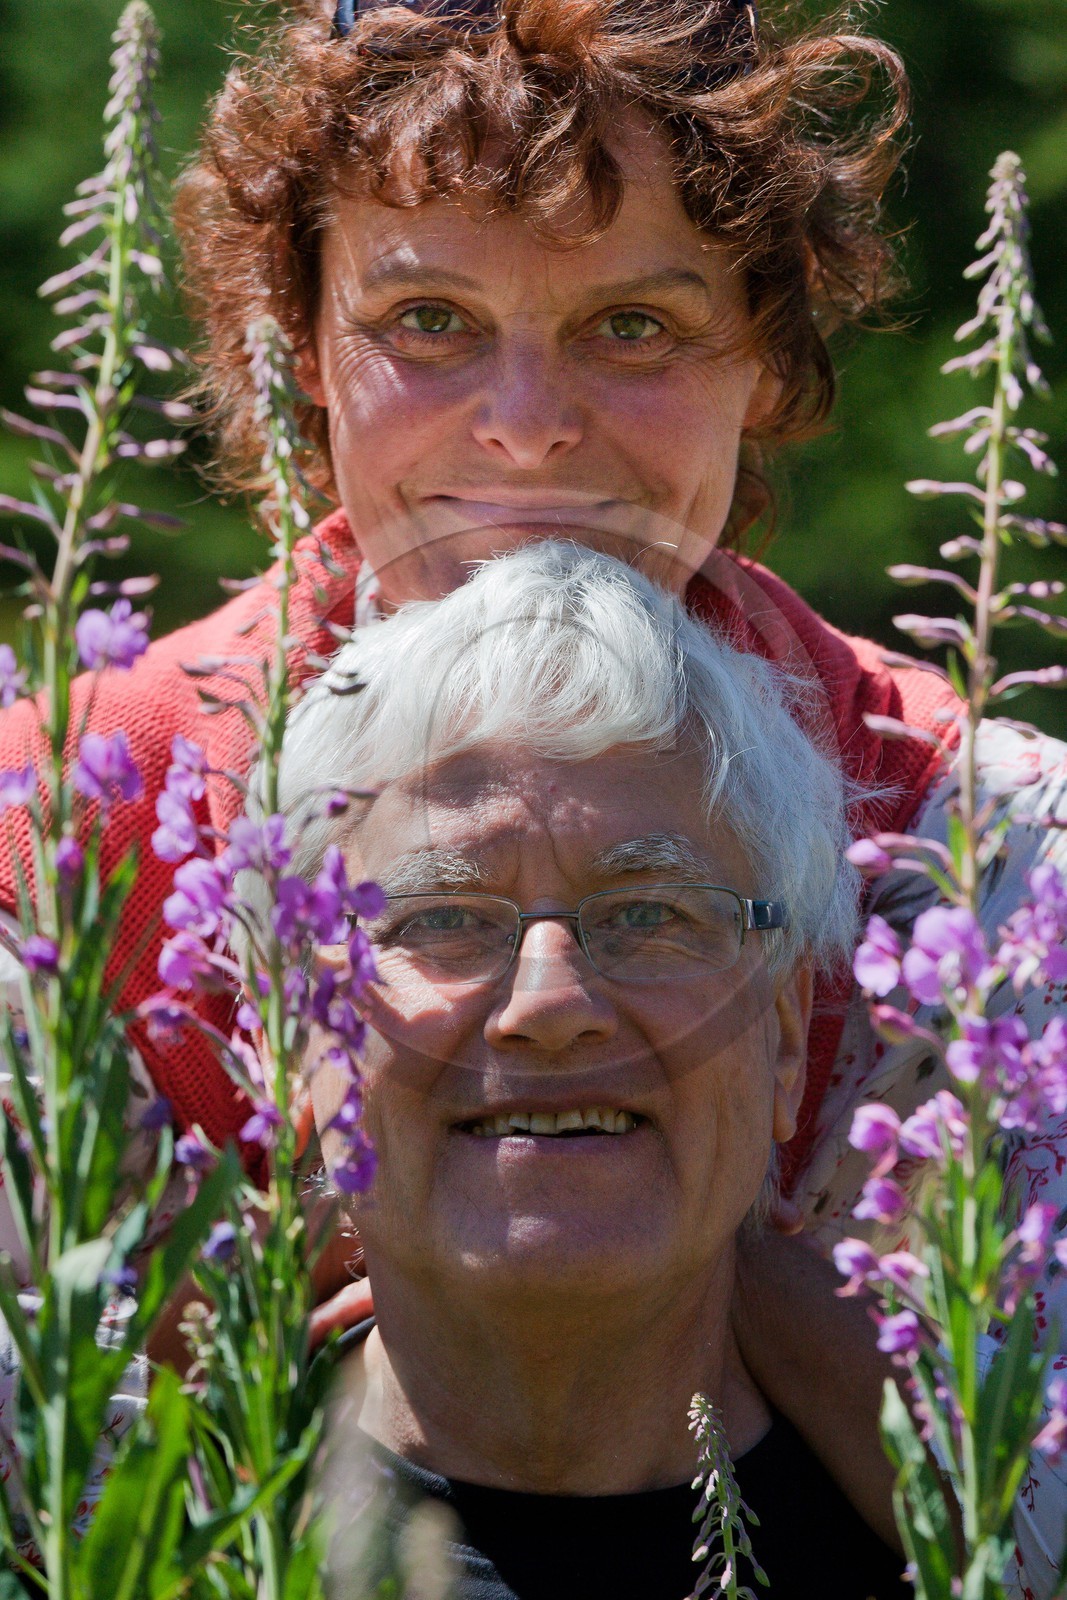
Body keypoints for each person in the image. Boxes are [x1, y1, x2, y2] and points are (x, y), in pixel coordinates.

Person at [0, 0, 1063, 1588]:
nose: (524, 421)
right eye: (423, 320)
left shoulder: (991, 846)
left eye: (631, 325)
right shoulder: (65, 830)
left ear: (764, 355)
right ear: (296, 345)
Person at [263, 539, 909, 1599]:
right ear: (300, 1034)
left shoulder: (980, 1537)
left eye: (651, 913)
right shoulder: (112, 1524)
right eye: (444, 920)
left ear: (784, 1031)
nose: (547, 1006)